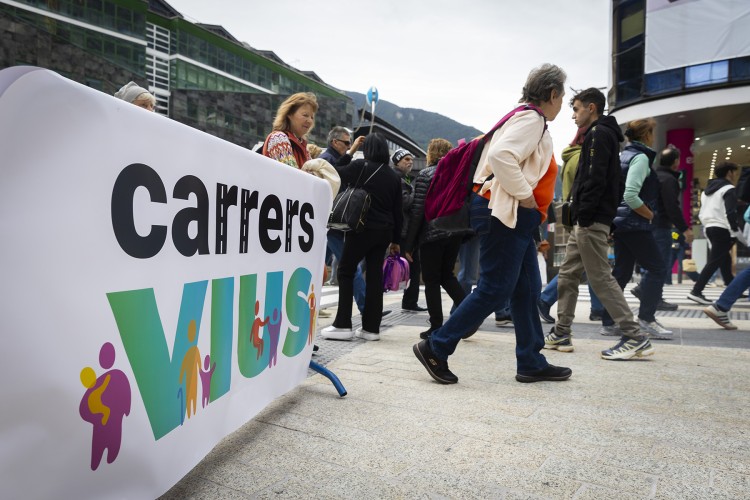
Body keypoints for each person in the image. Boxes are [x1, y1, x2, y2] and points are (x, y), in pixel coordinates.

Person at [413, 63, 572, 384]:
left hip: (512, 214)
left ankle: (530, 360)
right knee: (495, 287)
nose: (562, 104)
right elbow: (502, 155)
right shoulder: (531, 119)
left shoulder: (525, 118)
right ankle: (436, 346)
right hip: (506, 211)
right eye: (562, 97)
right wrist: (526, 197)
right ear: (552, 93)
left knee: (527, 289)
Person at [545, 87, 654, 360]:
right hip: (587, 218)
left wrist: (586, 215)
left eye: (576, 109)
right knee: (568, 274)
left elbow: (594, 179)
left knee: (600, 277)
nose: (573, 115)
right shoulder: (603, 136)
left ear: (591, 107)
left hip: (589, 219)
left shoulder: (598, 134)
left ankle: (634, 336)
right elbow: (612, 181)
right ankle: (561, 331)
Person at [320, 133, 402, 341]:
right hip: (384, 232)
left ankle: (342, 324)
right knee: (374, 277)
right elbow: (398, 211)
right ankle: (371, 329)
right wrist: (396, 241)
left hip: (362, 228)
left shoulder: (360, 166)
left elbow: (334, 171)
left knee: (346, 271)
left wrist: (351, 151)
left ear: (367, 149)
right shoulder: (393, 176)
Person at [597, 118, 672, 339]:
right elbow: (630, 194)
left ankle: (608, 321)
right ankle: (646, 318)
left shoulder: (625, 155)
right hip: (634, 223)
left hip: (621, 222)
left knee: (622, 272)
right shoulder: (640, 158)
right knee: (657, 269)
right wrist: (650, 214)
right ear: (647, 135)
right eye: (652, 133)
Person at [402, 138, 474, 339]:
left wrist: (409, 244)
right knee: (447, 276)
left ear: (431, 153)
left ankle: (435, 326)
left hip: (432, 233)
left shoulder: (425, 174)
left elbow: (418, 211)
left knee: (432, 280)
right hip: (455, 232)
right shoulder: (458, 173)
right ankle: (471, 317)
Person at [537, 127, 604, 323]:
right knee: (579, 263)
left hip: (574, 215)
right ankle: (544, 299)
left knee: (590, 263)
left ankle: (597, 308)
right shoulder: (583, 158)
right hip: (584, 217)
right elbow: (588, 190)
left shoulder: (571, 157)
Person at [631, 146, 693, 309]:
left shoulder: (652, 176)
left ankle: (645, 290)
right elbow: (671, 206)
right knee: (661, 264)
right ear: (676, 162)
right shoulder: (669, 180)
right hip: (660, 226)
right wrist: (684, 229)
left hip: (646, 224)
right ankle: (653, 297)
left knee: (653, 262)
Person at [320, 126, 369, 315]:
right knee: (350, 265)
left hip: (328, 223)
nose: (349, 146)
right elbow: (336, 175)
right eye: (347, 143)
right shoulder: (326, 160)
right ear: (335, 142)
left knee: (319, 267)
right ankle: (366, 308)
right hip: (330, 224)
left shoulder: (329, 159)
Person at [687, 161, 741, 305]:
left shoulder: (707, 191)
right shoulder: (729, 189)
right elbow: (730, 212)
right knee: (714, 261)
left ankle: (733, 290)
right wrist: (735, 230)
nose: (735, 175)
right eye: (735, 172)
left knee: (724, 259)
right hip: (722, 228)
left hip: (709, 227)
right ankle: (696, 291)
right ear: (729, 173)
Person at [392, 148, 427, 312]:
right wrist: (418, 193)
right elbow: (404, 202)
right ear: (397, 162)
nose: (410, 162)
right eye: (406, 159)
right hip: (402, 231)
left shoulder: (404, 178)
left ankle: (410, 301)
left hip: (404, 230)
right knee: (411, 267)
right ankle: (409, 301)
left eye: (411, 159)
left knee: (413, 267)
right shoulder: (397, 179)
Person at [262, 92, 317, 168]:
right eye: (305, 115)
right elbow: (291, 173)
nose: (310, 121)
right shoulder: (279, 138)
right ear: (289, 114)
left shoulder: (304, 148)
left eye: (312, 117)